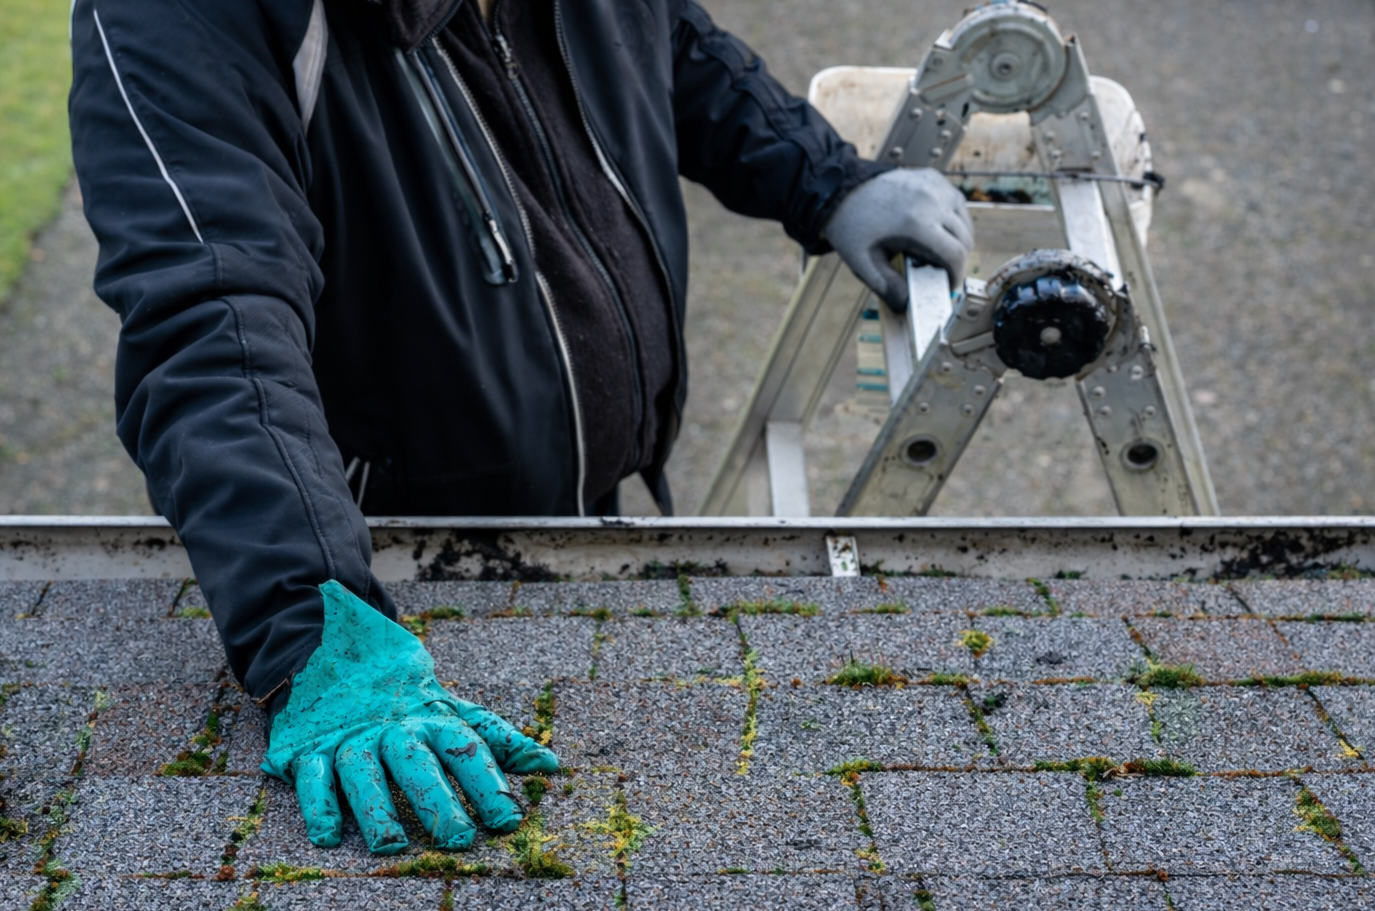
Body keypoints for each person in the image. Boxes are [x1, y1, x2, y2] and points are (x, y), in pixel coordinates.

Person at [69, 0, 973, 852]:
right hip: (379, 571)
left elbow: (662, 41)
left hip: (581, 510)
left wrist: (823, 178)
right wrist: (315, 626)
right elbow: (214, 322)